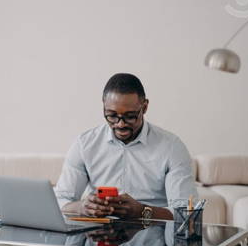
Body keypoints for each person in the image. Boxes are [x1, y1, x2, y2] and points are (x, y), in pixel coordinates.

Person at [54, 73, 198, 220]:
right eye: (112, 115)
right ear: (103, 106)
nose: (120, 124)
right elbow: (60, 200)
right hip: (97, 235)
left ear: (145, 107)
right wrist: (82, 207)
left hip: (152, 233)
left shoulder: (171, 147)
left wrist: (142, 211)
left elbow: (186, 212)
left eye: (130, 116)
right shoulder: (84, 144)